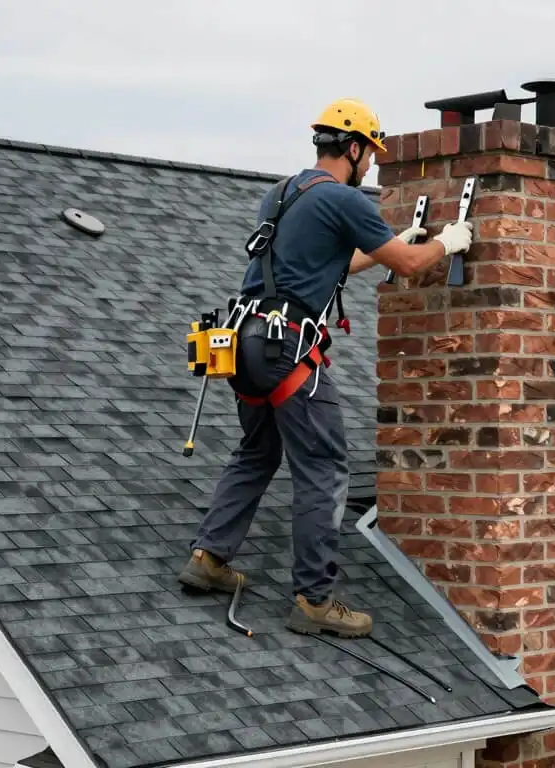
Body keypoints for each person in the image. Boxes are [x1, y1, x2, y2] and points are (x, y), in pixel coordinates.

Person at [177, 98, 474, 638]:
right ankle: (314, 599)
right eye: (370, 155)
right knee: (324, 467)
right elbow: (408, 267)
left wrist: (392, 244)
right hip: (286, 348)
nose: (371, 165)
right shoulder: (344, 198)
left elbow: (327, 265)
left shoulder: (284, 193)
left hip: (245, 340)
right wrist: (445, 243)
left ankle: (209, 558)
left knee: (258, 451)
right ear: (356, 148)